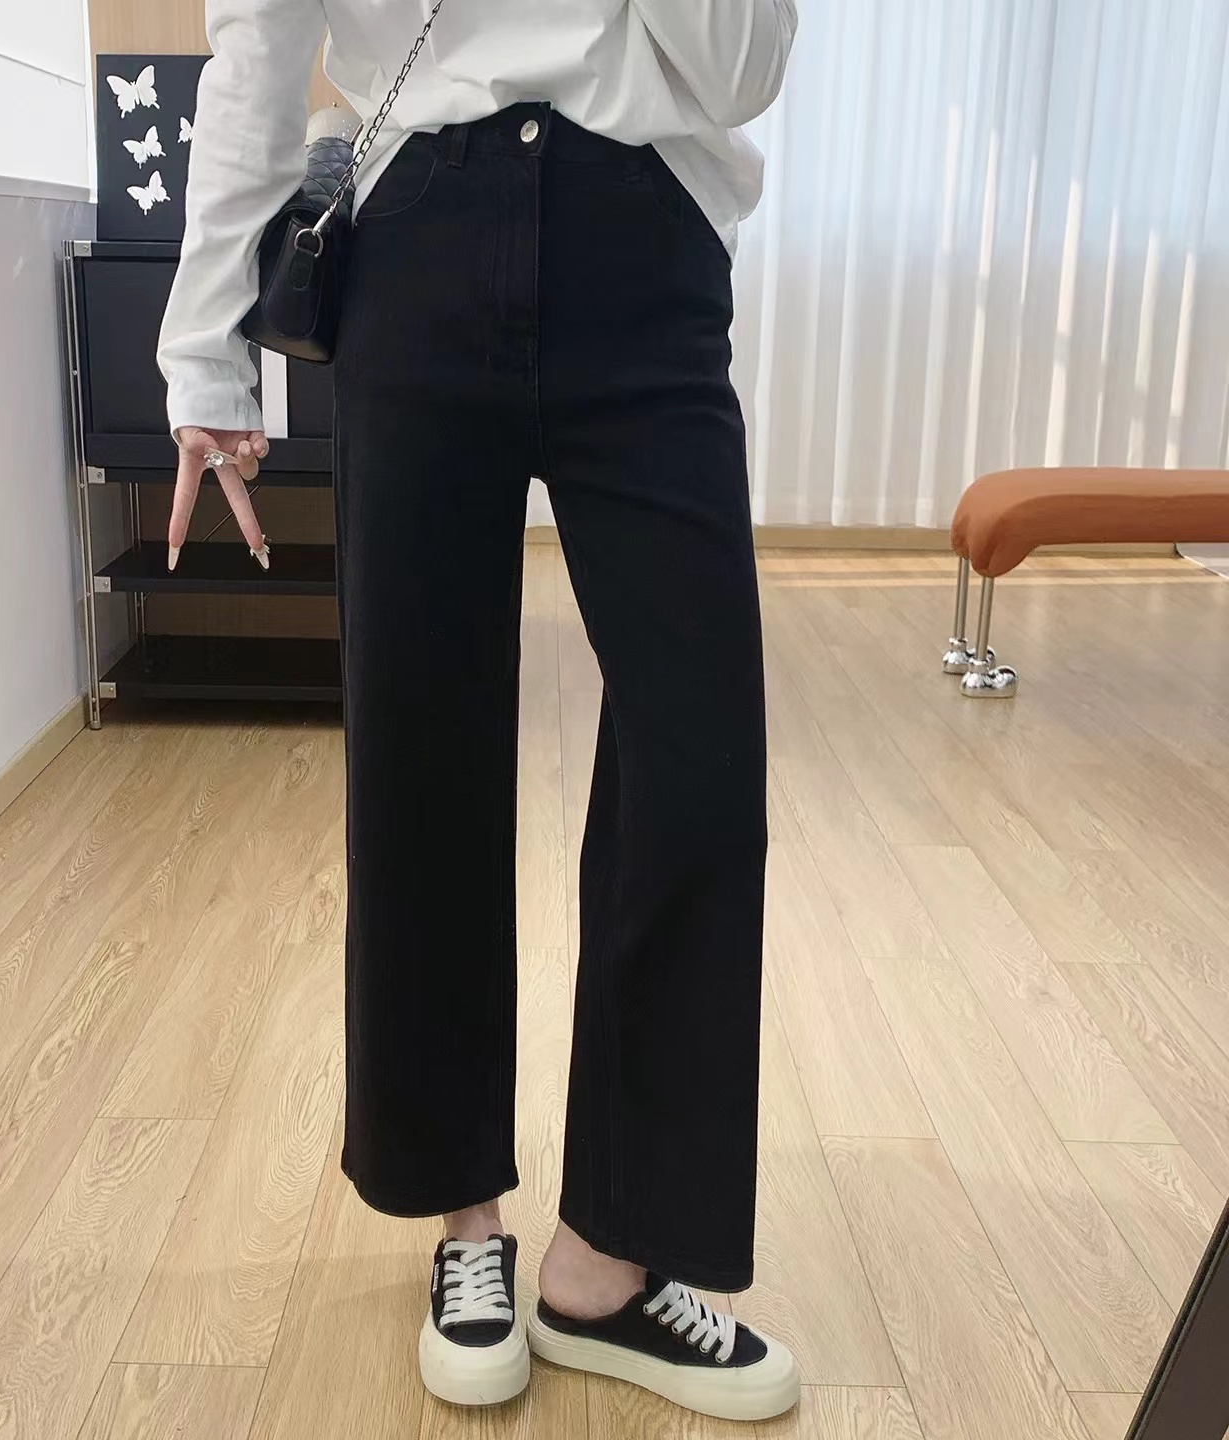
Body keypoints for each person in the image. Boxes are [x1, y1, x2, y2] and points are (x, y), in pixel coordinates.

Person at [158, 0, 800, 1422]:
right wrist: (206, 347)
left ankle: (608, 1263)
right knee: (420, 756)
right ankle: (465, 1221)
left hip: (647, 239)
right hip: (420, 236)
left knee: (699, 762)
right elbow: (261, 40)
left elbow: (742, 66)